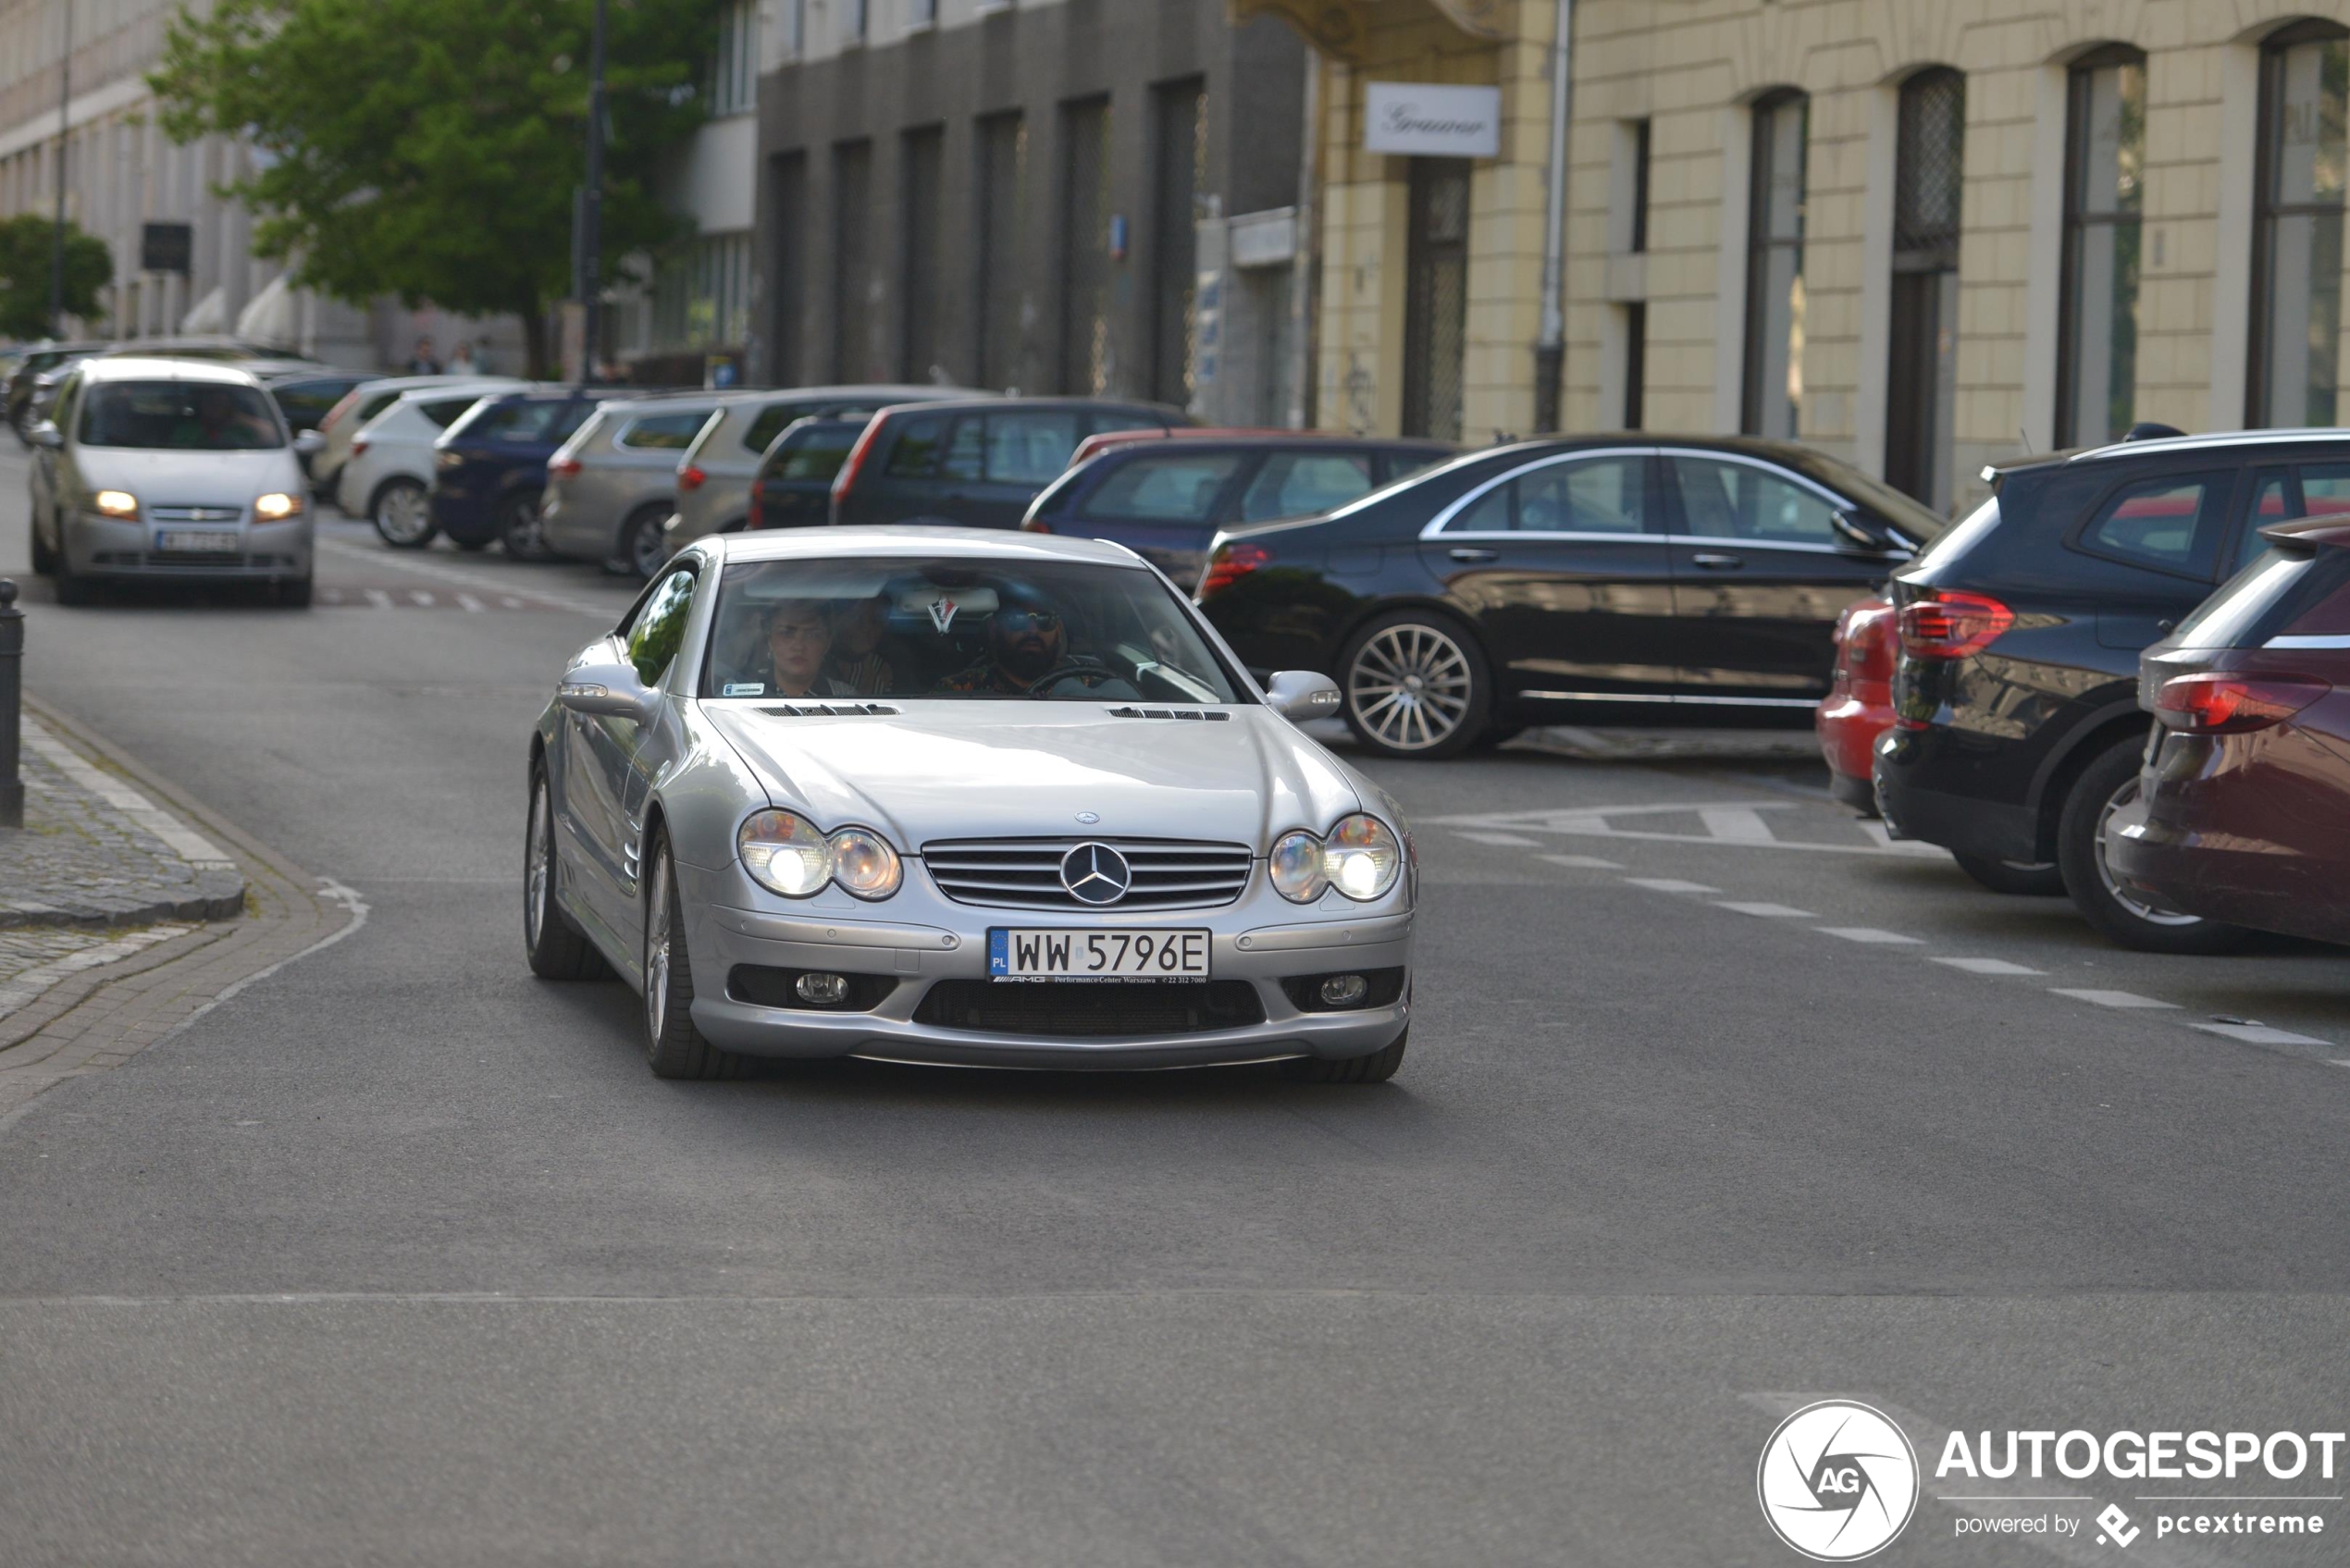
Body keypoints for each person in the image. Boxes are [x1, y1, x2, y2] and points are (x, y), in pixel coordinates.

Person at [934, 586, 1127, 697]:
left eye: (1044, 620)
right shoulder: (958, 690)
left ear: (1058, 630)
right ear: (994, 629)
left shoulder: (1094, 686)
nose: (1032, 630)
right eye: (1018, 620)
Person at [758, 602, 856, 698]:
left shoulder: (846, 697)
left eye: (812, 635)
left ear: (827, 644)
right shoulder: (746, 694)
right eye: (787, 633)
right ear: (770, 639)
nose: (799, 646)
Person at [824, 596, 898, 696]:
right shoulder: (812, 659)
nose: (866, 629)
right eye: (858, 620)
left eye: (875, 621)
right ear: (838, 620)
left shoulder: (882, 671)